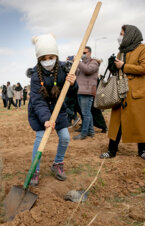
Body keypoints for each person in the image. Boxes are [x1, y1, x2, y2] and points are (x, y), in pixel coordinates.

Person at [100, 25, 145, 160]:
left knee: (141, 121)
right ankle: (111, 150)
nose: (120, 37)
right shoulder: (122, 51)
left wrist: (124, 66)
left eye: (122, 34)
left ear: (131, 35)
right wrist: (113, 67)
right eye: (120, 34)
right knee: (117, 122)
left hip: (138, 92)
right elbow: (119, 70)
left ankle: (143, 150)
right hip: (121, 91)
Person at [28, 34, 77, 184]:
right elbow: (37, 101)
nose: (48, 61)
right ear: (39, 59)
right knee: (41, 137)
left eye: (51, 57)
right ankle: (34, 170)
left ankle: (58, 164)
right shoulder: (36, 74)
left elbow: (72, 92)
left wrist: (73, 83)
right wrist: (46, 119)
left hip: (58, 107)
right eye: (44, 58)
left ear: (56, 55)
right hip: (39, 112)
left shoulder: (64, 68)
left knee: (65, 137)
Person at [73, 46, 99, 140]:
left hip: (87, 91)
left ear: (90, 53)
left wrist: (78, 62)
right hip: (80, 91)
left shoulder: (94, 63)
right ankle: (91, 131)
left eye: (85, 52)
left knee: (85, 113)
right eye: (82, 53)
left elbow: (88, 70)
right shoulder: (82, 64)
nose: (83, 55)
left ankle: (84, 133)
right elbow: (76, 73)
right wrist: (73, 64)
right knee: (87, 113)